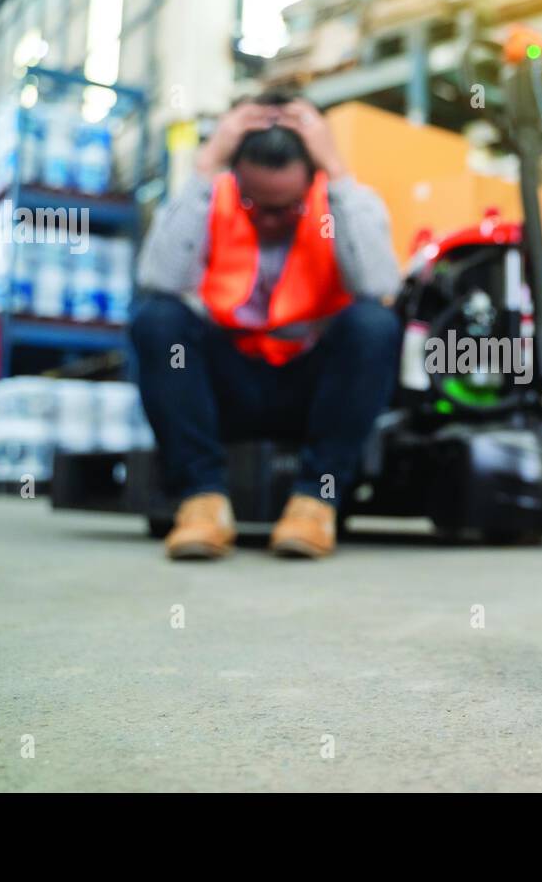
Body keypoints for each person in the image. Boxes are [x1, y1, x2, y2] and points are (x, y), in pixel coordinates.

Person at [131, 91, 401, 561]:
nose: (273, 219)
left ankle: (316, 504)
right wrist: (206, 164)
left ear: (311, 179)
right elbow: (159, 279)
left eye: (287, 207)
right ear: (236, 179)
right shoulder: (212, 199)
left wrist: (336, 171)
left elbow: (379, 284)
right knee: (156, 317)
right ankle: (201, 504)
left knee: (374, 324)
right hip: (230, 387)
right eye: (259, 204)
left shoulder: (343, 201)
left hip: (312, 391)